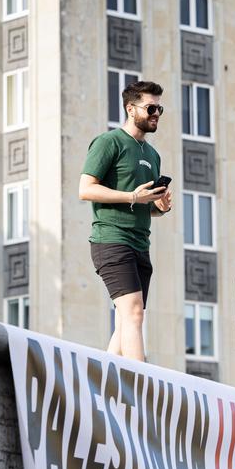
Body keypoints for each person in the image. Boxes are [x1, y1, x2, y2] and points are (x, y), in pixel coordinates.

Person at [78, 81, 172, 361]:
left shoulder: (152, 154)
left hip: (140, 244)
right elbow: (85, 189)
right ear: (131, 109)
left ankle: (101, 383)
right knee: (133, 312)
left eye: (160, 109)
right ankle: (140, 385)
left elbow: (144, 205)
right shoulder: (109, 142)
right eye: (150, 108)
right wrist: (132, 196)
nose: (156, 114)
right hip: (111, 240)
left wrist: (159, 207)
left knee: (126, 321)